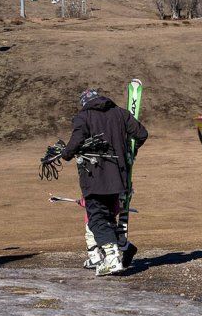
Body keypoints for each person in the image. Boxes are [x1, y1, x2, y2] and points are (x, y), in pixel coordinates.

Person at [61, 88, 148, 276]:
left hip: (95, 179)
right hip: (119, 177)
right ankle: (123, 248)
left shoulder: (84, 117)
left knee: (97, 219)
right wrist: (130, 152)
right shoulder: (121, 113)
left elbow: (76, 141)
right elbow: (141, 134)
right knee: (108, 217)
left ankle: (111, 258)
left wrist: (66, 153)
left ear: (85, 103)